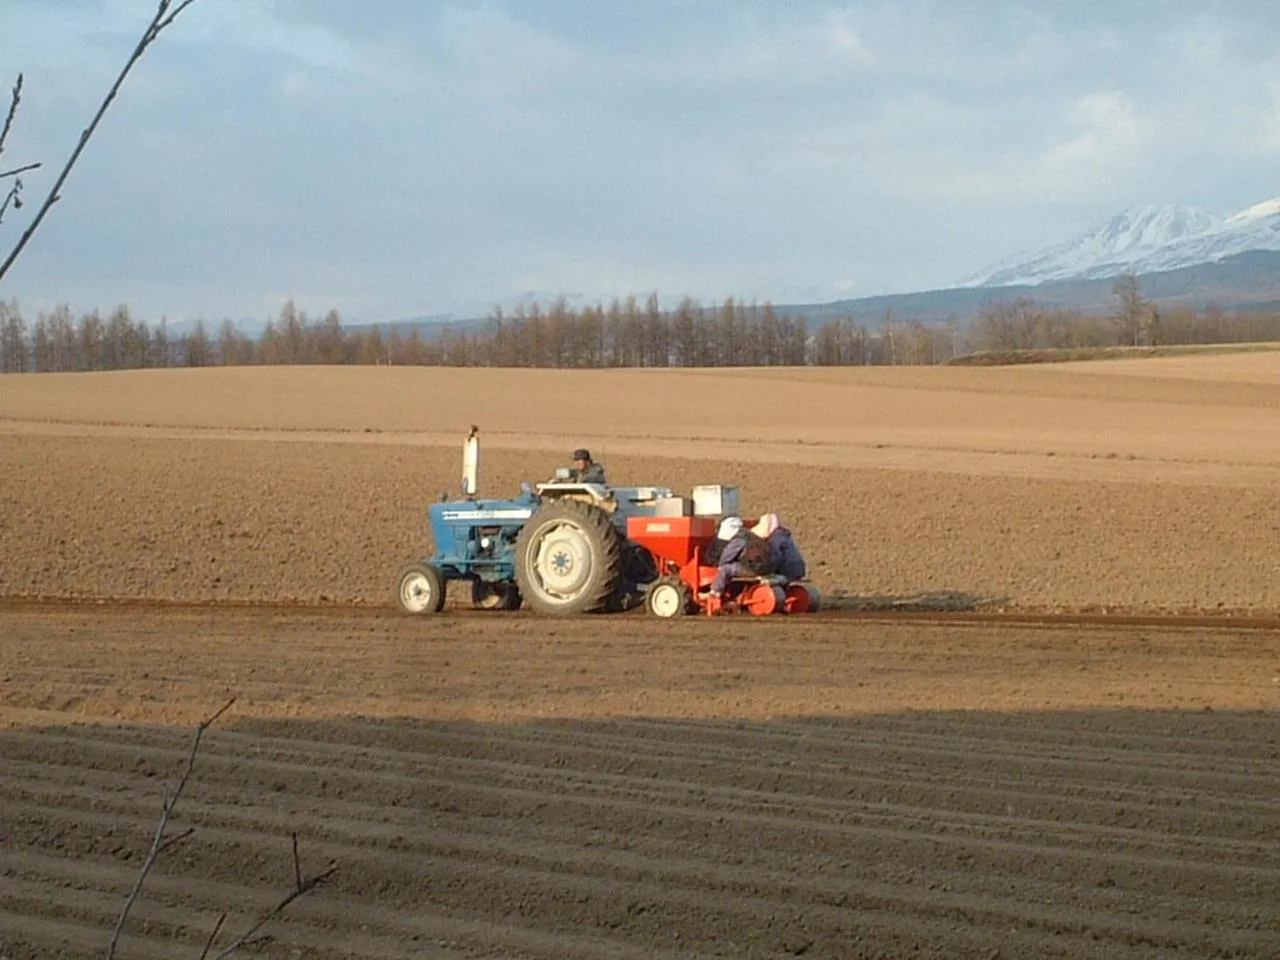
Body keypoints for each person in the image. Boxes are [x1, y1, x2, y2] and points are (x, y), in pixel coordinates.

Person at [708, 515, 776, 595]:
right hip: (766, 567)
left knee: (725, 569)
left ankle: (715, 592)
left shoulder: (739, 539)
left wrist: (719, 565)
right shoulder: (750, 535)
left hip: (754, 568)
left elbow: (727, 555)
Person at [751, 512, 807, 581]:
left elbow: (776, 557)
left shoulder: (775, 540)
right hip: (797, 568)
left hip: (788, 571)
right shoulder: (784, 536)